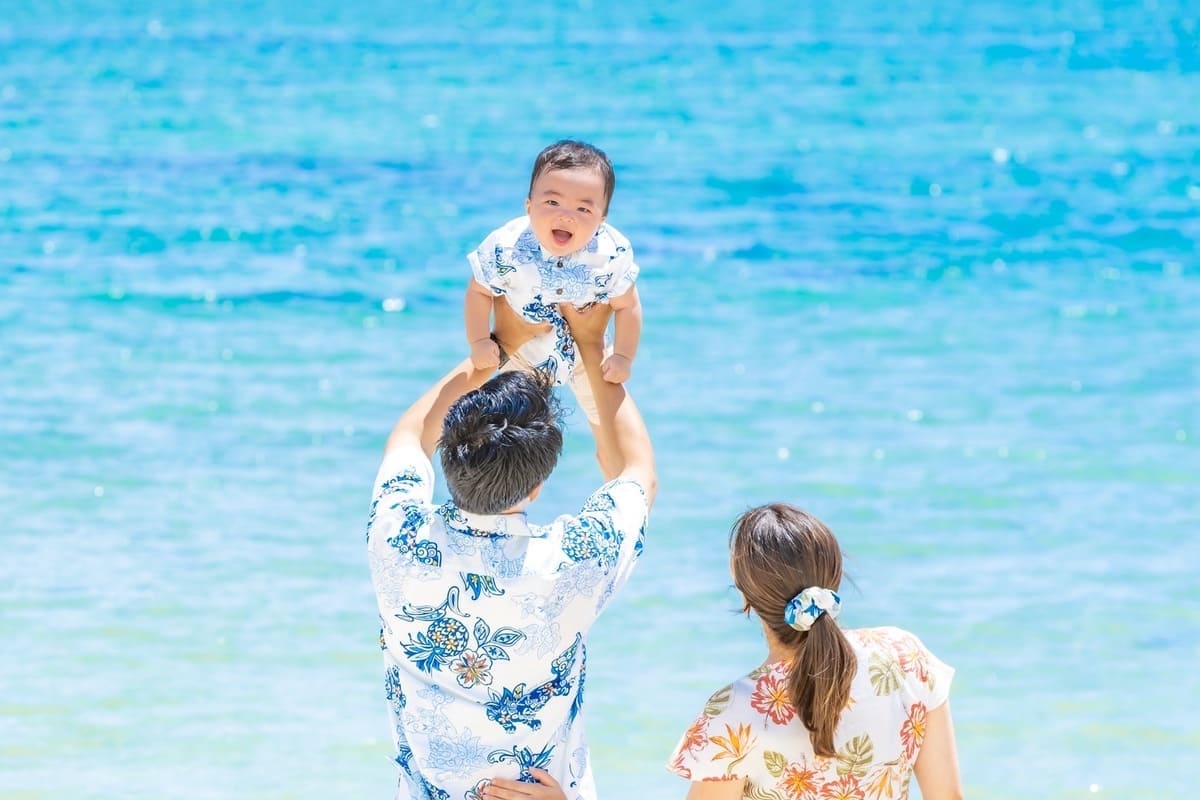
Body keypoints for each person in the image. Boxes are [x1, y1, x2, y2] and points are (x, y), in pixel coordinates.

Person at [367, 300, 657, 800]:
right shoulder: (574, 560)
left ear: (450, 461)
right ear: (539, 484)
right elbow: (636, 473)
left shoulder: (398, 539)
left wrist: (497, 347)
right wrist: (591, 348)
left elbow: (411, 438)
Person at [661, 503, 963, 800]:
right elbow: (947, 795)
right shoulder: (905, 657)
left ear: (746, 597)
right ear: (833, 577)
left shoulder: (735, 709)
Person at [464, 139, 644, 477]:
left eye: (584, 209)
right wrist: (478, 342)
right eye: (552, 201)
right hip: (521, 353)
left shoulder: (611, 254)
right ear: (529, 205)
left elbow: (628, 305)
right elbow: (478, 291)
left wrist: (623, 356)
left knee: (609, 428)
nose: (566, 215)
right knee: (504, 431)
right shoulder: (506, 246)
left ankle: (617, 486)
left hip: (584, 359)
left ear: (602, 218)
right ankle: (503, 492)